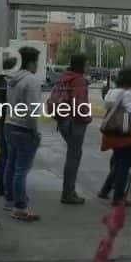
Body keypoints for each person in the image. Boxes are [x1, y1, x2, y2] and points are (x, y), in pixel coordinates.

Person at [3, 47, 42, 221]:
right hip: (25, 128)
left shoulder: (12, 79)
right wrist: (35, 131)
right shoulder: (31, 80)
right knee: (21, 170)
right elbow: (32, 109)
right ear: (32, 62)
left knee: (11, 165)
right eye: (37, 62)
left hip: (9, 126)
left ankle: (10, 200)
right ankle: (20, 208)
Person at [98, 67, 131, 206]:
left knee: (118, 162)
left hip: (113, 131)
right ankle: (118, 197)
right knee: (123, 166)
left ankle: (105, 190)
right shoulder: (128, 94)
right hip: (125, 133)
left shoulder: (111, 92)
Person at [55, 53, 92, 205]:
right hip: (75, 122)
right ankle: (68, 193)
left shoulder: (64, 77)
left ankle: (68, 191)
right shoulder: (79, 81)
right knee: (73, 157)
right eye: (87, 64)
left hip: (63, 121)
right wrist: (87, 119)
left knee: (73, 154)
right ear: (82, 65)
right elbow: (80, 105)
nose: (89, 66)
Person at [0, 56, 17, 197]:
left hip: (3, 120)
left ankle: (3, 186)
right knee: (7, 155)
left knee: (4, 153)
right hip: (8, 121)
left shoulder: (0, 81)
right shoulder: (6, 83)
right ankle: (6, 186)